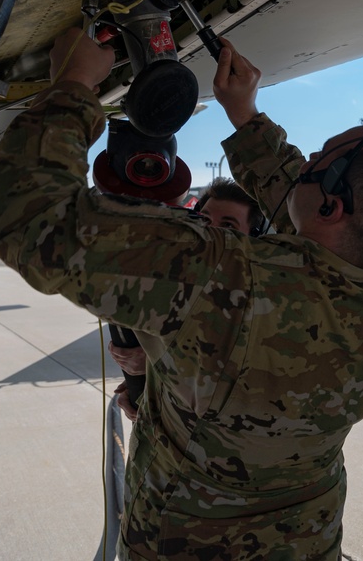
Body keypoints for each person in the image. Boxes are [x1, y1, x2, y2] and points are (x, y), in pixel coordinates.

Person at [0, 28, 363, 560]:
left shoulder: (220, 275)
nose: (303, 167)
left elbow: (28, 219)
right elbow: (303, 206)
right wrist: (246, 117)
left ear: (334, 207)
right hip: (305, 541)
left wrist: (74, 84)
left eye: (316, 160)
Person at [108, 176, 265, 421]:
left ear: (252, 236)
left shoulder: (264, 298)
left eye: (228, 226)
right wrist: (141, 387)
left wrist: (152, 364)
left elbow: (252, 385)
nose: (210, 232)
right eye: (204, 220)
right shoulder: (175, 283)